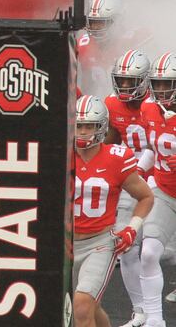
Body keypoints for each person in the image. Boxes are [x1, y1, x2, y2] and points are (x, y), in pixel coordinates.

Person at [72, 95, 153, 327]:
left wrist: (131, 228)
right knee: (90, 306)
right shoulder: (61, 154)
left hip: (99, 243)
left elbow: (146, 196)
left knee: (82, 304)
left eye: (90, 126)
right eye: (79, 125)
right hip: (65, 244)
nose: (84, 131)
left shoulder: (117, 158)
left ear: (102, 127)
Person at [103, 50, 156, 327]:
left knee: (158, 246)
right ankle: (140, 310)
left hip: (161, 173)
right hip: (132, 178)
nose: (125, 87)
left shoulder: (156, 103)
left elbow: (160, 145)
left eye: (131, 81)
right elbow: (110, 144)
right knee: (126, 244)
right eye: (121, 81)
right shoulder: (111, 105)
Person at [139, 53, 176, 327]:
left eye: (168, 84)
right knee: (149, 251)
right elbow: (152, 148)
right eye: (158, 84)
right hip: (165, 190)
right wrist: (138, 170)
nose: (162, 90)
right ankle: (154, 319)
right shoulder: (149, 109)